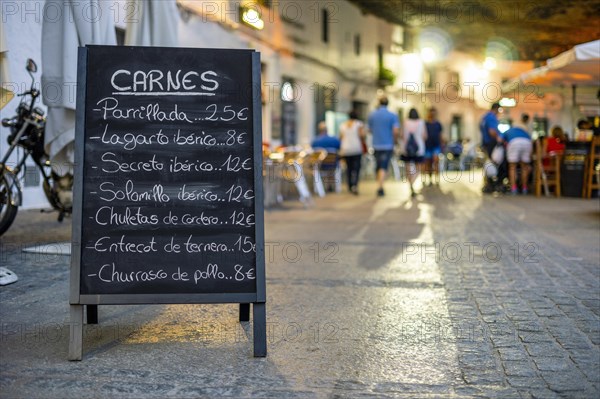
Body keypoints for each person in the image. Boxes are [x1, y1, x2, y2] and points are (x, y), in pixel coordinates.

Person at [367, 96, 400, 196]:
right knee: (383, 165)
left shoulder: (372, 115)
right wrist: (395, 142)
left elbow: (369, 130)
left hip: (376, 144)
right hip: (387, 145)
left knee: (378, 165)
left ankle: (379, 184)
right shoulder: (392, 115)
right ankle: (380, 186)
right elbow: (395, 131)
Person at [501, 113, 532, 195]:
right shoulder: (524, 130)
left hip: (514, 142)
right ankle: (524, 188)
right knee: (524, 166)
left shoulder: (510, 130)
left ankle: (514, 188)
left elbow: (500, 140)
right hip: (527, 142)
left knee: (512, 167)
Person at [401, 108, 427, 197]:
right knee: (419, 168)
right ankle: (412, 183)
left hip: (406, 148)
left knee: (408, 169)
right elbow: (424, 136)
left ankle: (410, 184)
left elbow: (402, 135)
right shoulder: (421, 122)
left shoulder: (405, 122)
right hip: (419, 148)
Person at [339, 110, 366, 195]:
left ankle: (349, 186)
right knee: (357, 168)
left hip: (346, 148)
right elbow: (362, 136)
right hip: (356, 148)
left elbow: (341, 137)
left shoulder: (343, 125)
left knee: (349, 168)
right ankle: (355, 185)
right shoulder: (359, 124)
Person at [479, 103, 503, 192]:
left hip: (486, 143)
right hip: (491, 143)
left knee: (487, 164)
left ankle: (487, 184)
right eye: (499, 110)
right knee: (493, 163)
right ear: (496, 109)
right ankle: (491, 184)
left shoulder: (485, 117)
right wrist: (499, 138)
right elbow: (492, 131)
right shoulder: (492, 117)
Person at [424, 107, 443, 185]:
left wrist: (441, 145)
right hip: (427, 146)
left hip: (436, 145)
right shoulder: (425, 124)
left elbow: (440, 135)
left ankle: (437, 180)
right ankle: (430, 179)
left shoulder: (438, 124)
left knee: (436, 162)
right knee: (428, 163)